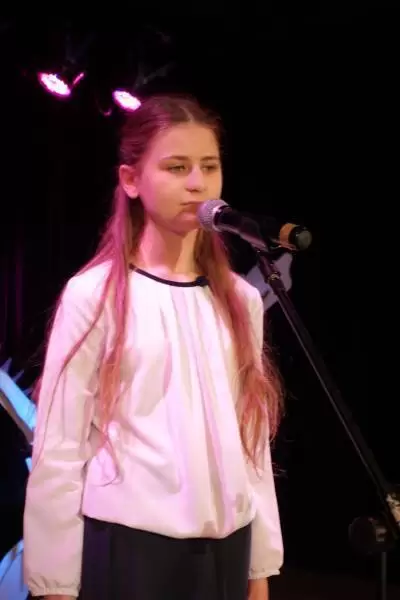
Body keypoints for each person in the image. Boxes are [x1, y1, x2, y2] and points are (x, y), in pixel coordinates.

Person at [22, 93, 284, 600]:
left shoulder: (241, 300)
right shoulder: (95, 296)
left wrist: (260, 567)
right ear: (130, 180)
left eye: (209, 166)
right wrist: (56, 582)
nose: (197, 183)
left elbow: (251, 443)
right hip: (131, 548)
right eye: (176, 167)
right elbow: (59, 447)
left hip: (227, 551)